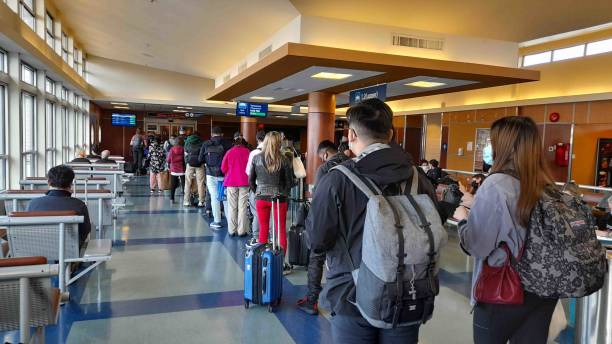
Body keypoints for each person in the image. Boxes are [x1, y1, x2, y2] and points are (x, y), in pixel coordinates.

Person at [306, 99, 445, 343]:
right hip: (408, 291)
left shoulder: (336, 180)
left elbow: (317, 240)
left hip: (351, 294)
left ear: (350, 134)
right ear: (391, 134)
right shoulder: (418, 178)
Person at [456, 116, 557, 344]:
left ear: (502, 145)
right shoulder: (545, 182)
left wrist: (464, 220)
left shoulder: (496, 183)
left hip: (504, 288)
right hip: (542, 289)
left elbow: (477, 245)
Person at [297, 139, 349, 315]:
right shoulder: (353, 165)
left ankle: (312, 301)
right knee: (342, 264)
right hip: (348, 226)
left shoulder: (325, 169)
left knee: (316, 259)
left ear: (325, 154)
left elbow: (320, 200)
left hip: (327, 223)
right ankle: (340, 304)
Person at [249, 131, 293, 273]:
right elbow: (290, 181)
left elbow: (250, 180)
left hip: (261, 197)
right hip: (279, 198)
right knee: (280, 230)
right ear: (279, 143)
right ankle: (280, 263)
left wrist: (257, 192)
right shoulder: (284, 159)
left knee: (263, 228)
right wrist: (284, 193)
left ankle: (263, 259)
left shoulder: (256, 158)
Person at [27, 165, 91, 248]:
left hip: (37, 253)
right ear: (71, 183)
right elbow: (84, 232)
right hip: (70, 253)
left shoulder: (32, 204)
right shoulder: (79, 205)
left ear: (48, 182)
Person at [199, 126, 232, 229]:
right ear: (221, 134)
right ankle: (230, 221)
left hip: (210, 174)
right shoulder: (227, 143)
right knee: (225, 198)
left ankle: (217, 221)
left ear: (212, 133)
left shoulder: (206, 143)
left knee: (214, 197)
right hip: (224, 175)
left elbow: (200, 159)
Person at [221, 133, 251, 237]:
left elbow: (223, 168)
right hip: (244, 182)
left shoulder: (229, 152)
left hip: (231, 182)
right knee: (242, 207)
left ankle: (232, 230)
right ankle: (242, 231)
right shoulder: (247, 152)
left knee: (232, 207)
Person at [245, 130, 265, 245]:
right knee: (270, 214)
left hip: (257, 187)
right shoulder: (274, 152)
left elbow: (248, 172)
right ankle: (270, 237)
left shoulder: (254, 153)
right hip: (272, 188)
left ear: (257, 139)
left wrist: (253, 189)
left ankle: (257, 237)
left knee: (257, 213)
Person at [183, 132, 206, 207]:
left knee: (188, 183)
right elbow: (203, 154)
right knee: (201, 183)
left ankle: (186, 201)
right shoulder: (202, 142)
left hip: (190, 164)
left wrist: (187, 162)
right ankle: (201, 201)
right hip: (200, 165)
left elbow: (185, 154)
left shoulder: (187, 142)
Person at [167, 137, 185, 203]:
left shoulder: (172, 149)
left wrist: (169, 163)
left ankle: (172, 199)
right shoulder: (183, 149)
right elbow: (185, 159)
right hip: (182, 169)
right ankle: (185, 199)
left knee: (173, 185)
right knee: (184, 184)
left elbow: (168, 159)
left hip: (174, 169)